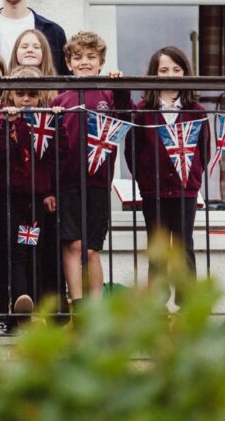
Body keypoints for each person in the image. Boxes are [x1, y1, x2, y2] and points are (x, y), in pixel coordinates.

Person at [51, 32, 130, 314]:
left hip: (98, 183)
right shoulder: (59, 99)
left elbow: (127, 118)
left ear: (101, 62)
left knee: (92, 249)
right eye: (78, 57)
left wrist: (121, 88)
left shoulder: (108, 94)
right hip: (66, 183)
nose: (84, 62)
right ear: (69, 64)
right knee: (72, 246)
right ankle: (79, 308)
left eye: (91, 57)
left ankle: (97, 312)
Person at [125, 46, 209, 305]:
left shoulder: (196, 110)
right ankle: (157, 305)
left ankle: (188, 304)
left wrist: (192, 177)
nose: (170, 74)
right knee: (158, 248)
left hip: (185, 190)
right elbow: (132, 151)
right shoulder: (142, 110)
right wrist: (145, 180)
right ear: (153, 74)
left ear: (185, 73)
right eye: (163, 70)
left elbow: (203, 151)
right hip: (154, 191)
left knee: (184, 245)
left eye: (176, 69)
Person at [0, 66, 65, 333]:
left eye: (32, 94)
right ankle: (18, 299)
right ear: (10, 96)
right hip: (8, 203)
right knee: (12, 252)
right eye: (20, 94)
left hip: (34, 204)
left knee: (30, 248)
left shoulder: (45, 122)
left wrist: (49, 191)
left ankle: (29, 303)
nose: (26, 99)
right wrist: (6, 126)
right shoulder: (3, 121)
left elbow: (55, 157)